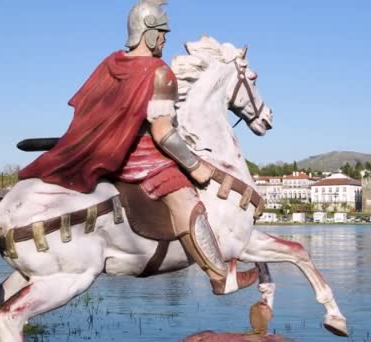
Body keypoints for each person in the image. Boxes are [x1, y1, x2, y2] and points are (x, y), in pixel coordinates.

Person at [18, 0, 257, 295]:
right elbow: (163, 133)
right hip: (144, 159)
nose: (166, 40)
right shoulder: (160, 73)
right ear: (150, 33)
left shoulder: (111, 63)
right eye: (163, 33)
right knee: (188, 203)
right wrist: (196, 166)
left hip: (108, 154)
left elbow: (95, 114)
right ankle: (221, 275)